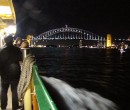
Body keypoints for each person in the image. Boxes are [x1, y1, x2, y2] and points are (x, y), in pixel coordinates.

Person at [0, 35, 23, 110]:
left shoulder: (1, 50)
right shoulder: (17, 49)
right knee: (14, 91)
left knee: (4, 91)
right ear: (12, 40)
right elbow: (21, 59)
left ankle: (3, 107)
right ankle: (15, 107)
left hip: (4, 74)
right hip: (15, 73)